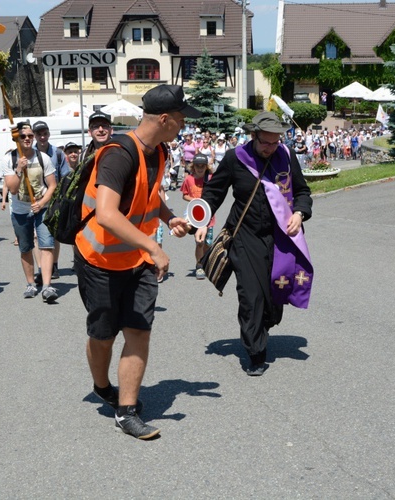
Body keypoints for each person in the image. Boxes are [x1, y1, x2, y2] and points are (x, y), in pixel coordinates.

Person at [74, 84, 197, 439]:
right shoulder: (117, 154)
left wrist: (169, 217)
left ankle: (126, 411)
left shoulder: (158, 152)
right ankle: (101, 386)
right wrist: (155, 248)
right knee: (103, 336)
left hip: (137, 260)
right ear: (163, 119)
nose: (183, 125)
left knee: (139, 331)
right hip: (98, 261)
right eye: (180, 119)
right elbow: (107, 215)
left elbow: (147, 193)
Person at [200, 112, 313, 376]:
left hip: (280, 237)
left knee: (274, 294)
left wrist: (300, 213)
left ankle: (265, 324)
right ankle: (255, 352)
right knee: (251, 295)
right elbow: (213, 192)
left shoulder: (286, 155)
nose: (270, 148)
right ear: (254, 136)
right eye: (265, 143)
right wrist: (203, 220)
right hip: (245, 236)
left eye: (275, 142)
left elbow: (302, 191)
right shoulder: (235, 158)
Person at [3, 121, 58, 302]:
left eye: (30, 136)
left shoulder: (43, 158)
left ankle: (48, 286)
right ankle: (30, 284)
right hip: (20, 211)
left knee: (46, 245)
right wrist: (19, 169)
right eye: (23, 136)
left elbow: (52, 186)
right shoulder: (9, 159)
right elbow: (12, 189)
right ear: (16, 138)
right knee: (25, 248)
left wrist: (42, 203)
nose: (27, 139)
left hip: (41, 209)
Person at [32, 120, 70, 281]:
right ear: (34, 135)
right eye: (39, 134)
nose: (42, 137)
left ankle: (53, 265)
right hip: (35, 199)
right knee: (35, 235)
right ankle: (41, 268)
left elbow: (65, 176)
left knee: (53, 234)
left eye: (44, 133)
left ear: (48, 134)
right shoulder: (29, 153)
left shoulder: (58, 153)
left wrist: (63, 198)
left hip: (54, 199)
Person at [181, 153, 214, 280]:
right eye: (197, 166)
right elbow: (184, 195)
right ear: (193, 166)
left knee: (208, 243)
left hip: (209, 216)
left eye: (202, 166)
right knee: (199, 242)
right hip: (195, 216)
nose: (200, 168)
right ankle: (199, 265)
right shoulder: (189, 179)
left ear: (206, 166)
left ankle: (206, 262)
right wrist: (194, 200)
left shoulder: (210, 178)